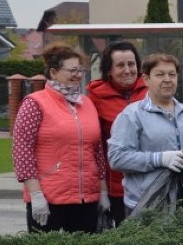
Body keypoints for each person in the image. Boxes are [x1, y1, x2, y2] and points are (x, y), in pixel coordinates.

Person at [12, 43, 110, 233]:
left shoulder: (87, 104)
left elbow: (96, 151)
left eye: (80, 70)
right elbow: (22, 150)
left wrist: (103, 191)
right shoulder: (35, 103)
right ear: (54, 72)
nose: (78, 75)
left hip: (86, 199)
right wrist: (36, 194)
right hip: (49, 200)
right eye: (72, 70)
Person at [107, 53, 183, 213]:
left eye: (172, 74)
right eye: (160, 74)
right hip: (146, 208)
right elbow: (117, 158)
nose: (167, 79)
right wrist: (159, 159)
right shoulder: (131, 115)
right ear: (146, 80)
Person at [87, 40, 147, 225]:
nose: (127, 70)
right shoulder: (96, 98)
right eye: (120, 65)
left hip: (152, 182)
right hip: (117, 187)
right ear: (108, 70)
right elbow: (94, 145)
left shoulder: (151, 91)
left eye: (131, 64)